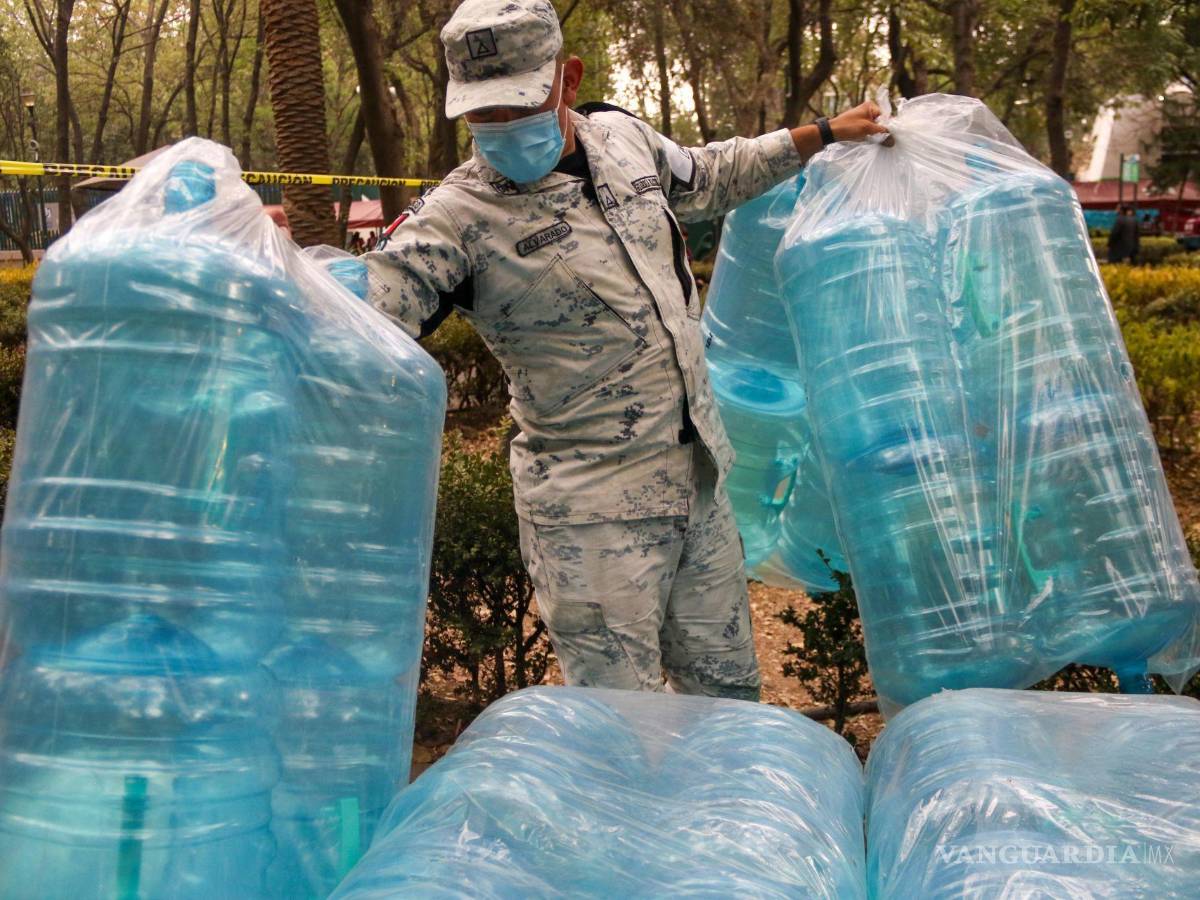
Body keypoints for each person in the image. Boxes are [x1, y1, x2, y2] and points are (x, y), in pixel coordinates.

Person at [361, 0, 888, 699]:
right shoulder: (455, 220)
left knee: (728, 699)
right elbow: (359, 309)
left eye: (519, 103)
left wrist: (821, 134)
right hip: (593, 520)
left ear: (568, 78)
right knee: (622, 724)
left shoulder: (621, 138)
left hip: (698, 482)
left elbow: (710, 175)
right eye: (483, 112)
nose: (501, 125)